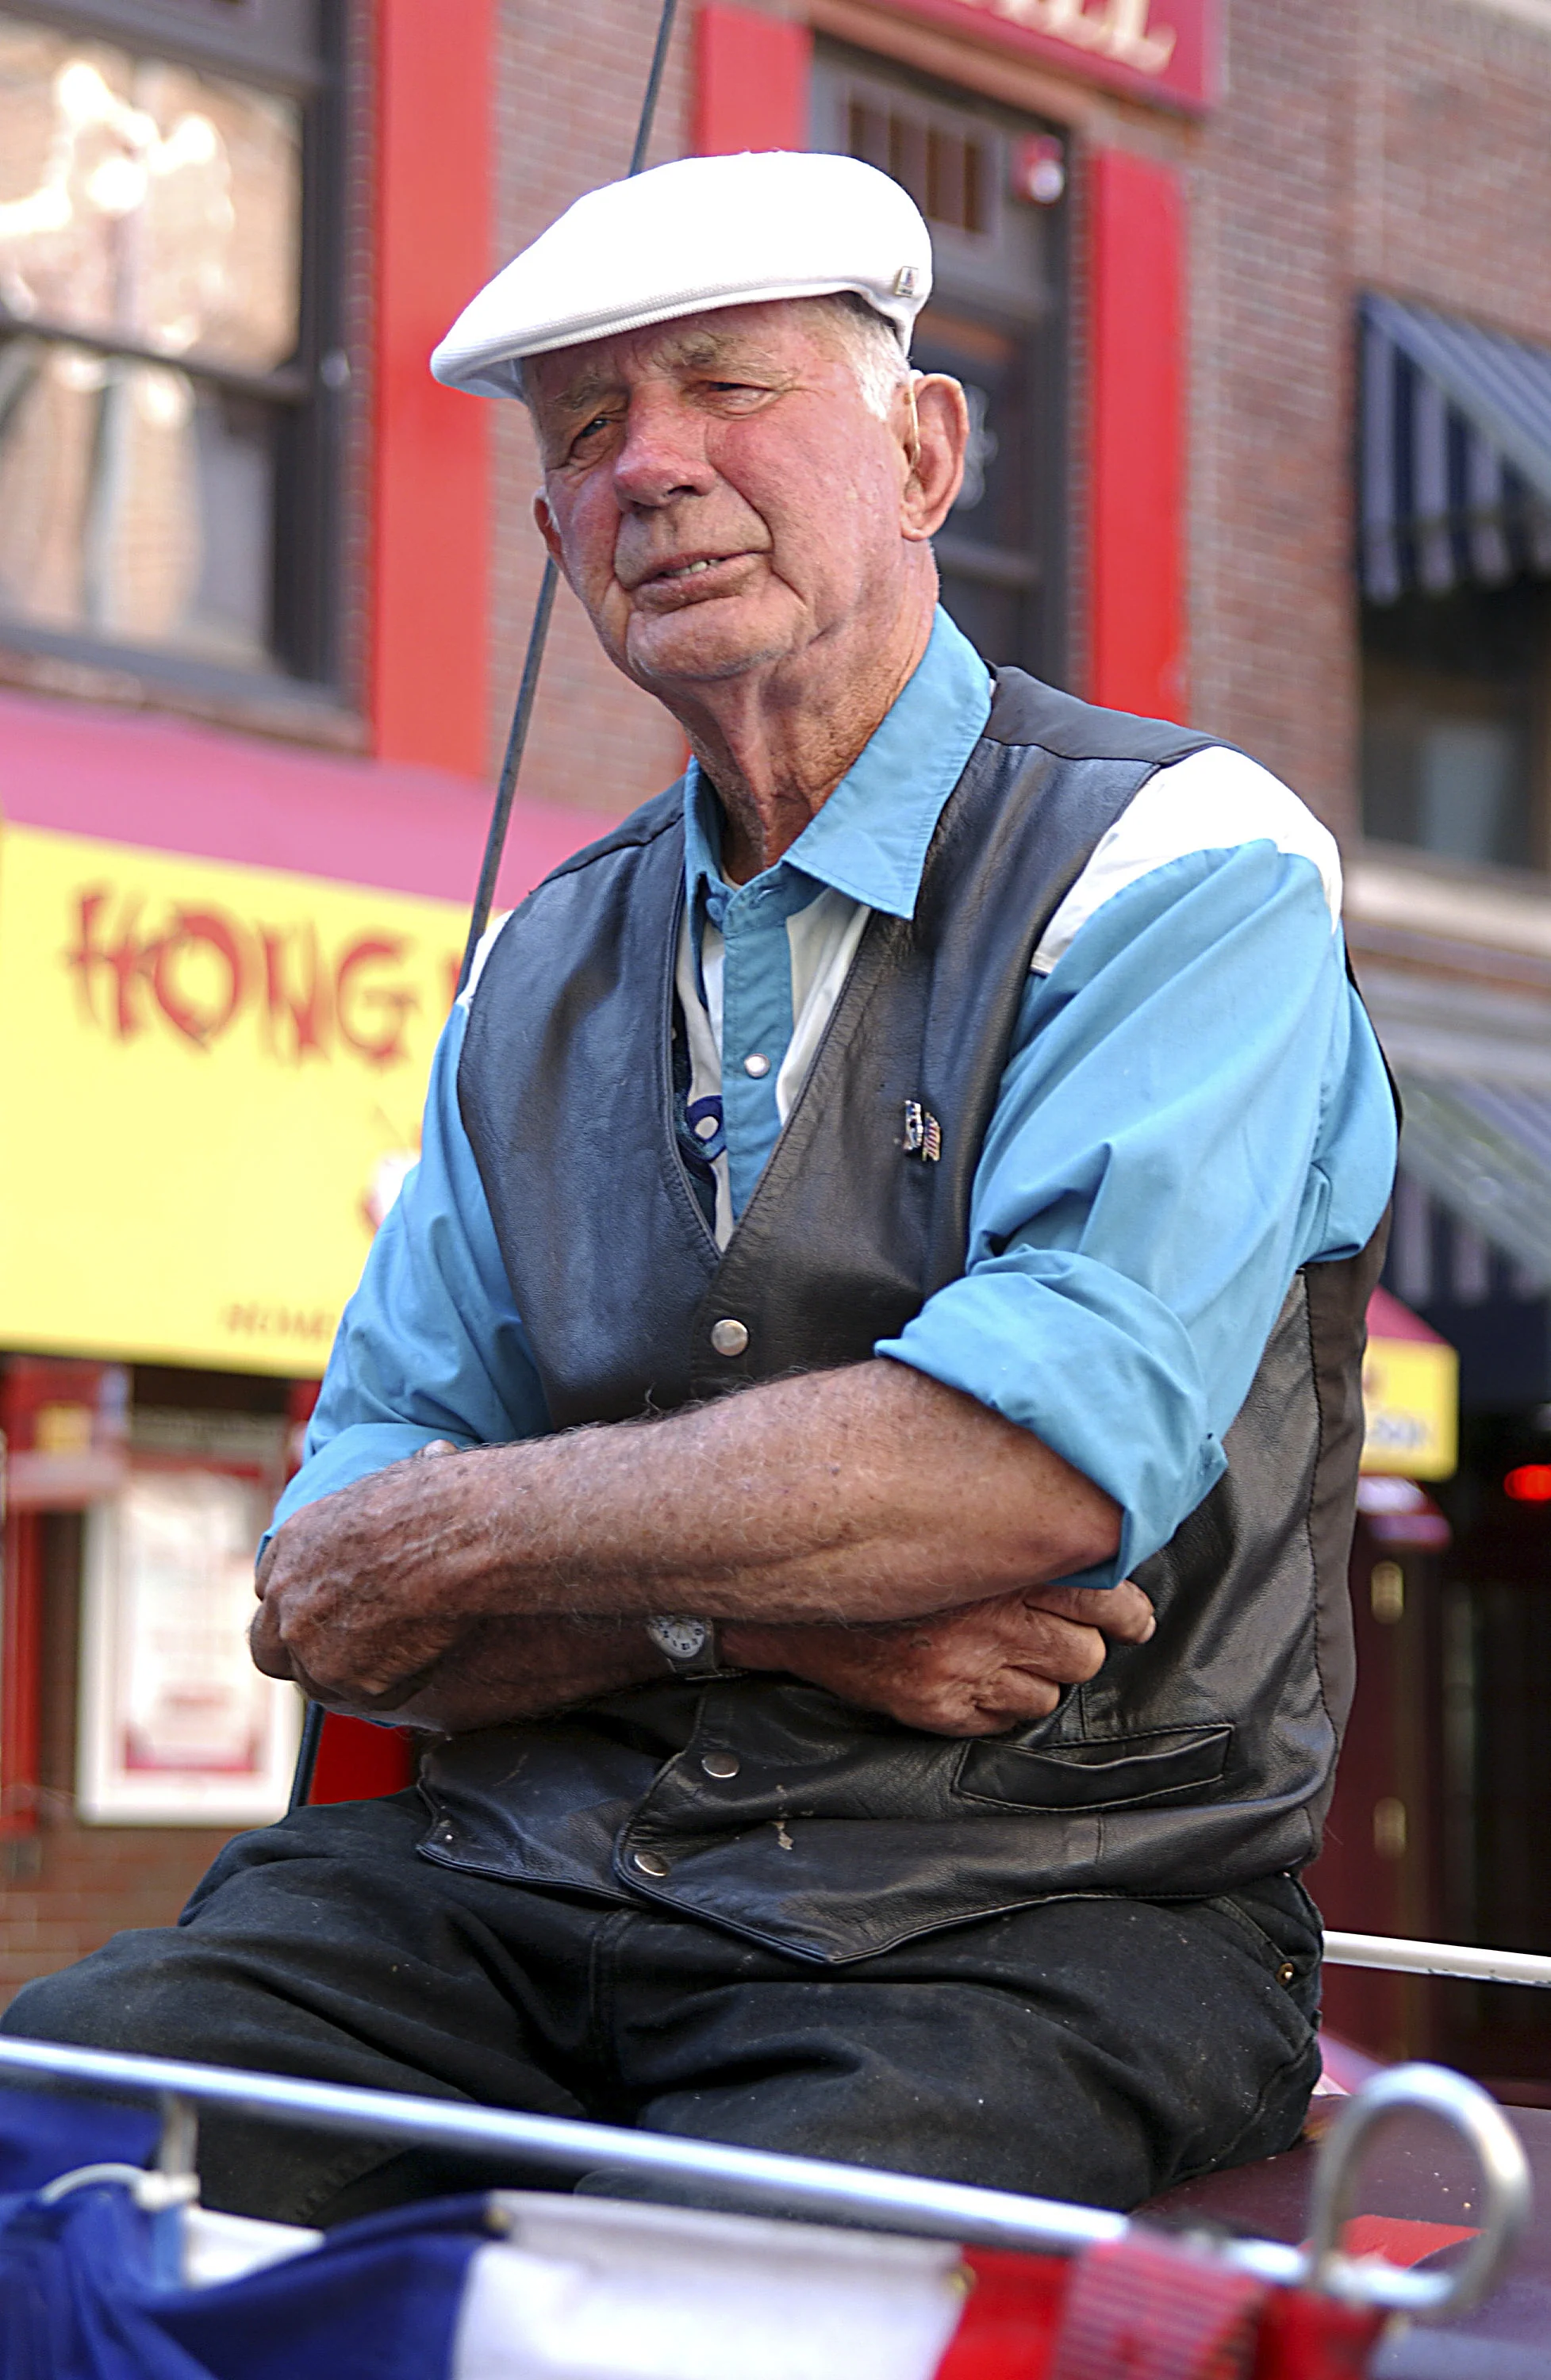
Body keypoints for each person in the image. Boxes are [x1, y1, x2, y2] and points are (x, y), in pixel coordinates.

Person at [4, 151, 1397, 2228]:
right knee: (52, 2141)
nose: (650, 468)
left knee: (703, 2297)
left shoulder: (1185, 864)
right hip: (500, 1891)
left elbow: (1028, 1464)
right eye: (586, 434)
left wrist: (494, 1538)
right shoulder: (534, 970)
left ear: (924, 449)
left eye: (729, 388)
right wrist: (747, 1602)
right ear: (560, 531)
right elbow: (327, 1590)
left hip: (1033, 1923)